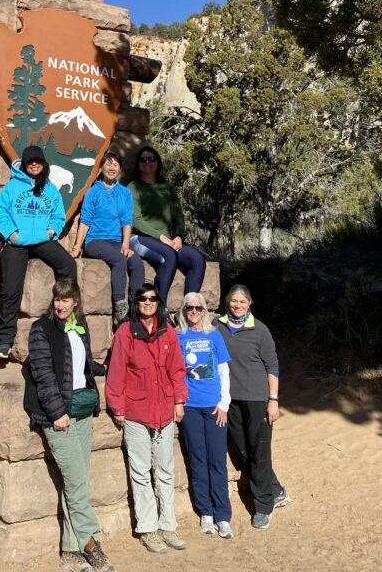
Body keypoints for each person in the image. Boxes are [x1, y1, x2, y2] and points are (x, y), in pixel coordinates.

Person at [24, 278, 115, 572]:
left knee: (75, 483)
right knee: (76, 481)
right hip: (59, 415)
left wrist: (107, 369)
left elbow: (83, 366)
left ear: (76, 301)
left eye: (66, 299)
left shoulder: (80, 327)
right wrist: (56, 411)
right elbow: (43, 373)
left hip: (83, 411)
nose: (61, 305)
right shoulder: (41, 329)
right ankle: (92, 543)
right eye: (57, 299)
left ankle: (70, 551)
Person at [105, 282, 188, 554]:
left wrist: (179, 400)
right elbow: (116, 371)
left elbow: (177, 369)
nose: (148, 303)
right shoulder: (126, 332)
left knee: (165, 471)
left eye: (152, 298)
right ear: (136, 303)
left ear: (159, 302)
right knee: (141, 472)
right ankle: (149, 528)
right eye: (142, 299)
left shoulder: (168, 332)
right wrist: (117, 407)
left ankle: (168, 525)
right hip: (137, 413)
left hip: (164, 410)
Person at [213, 283, 288, 529]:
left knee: (260, 451)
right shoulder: (218, 326)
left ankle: (264, 506)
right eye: (234, 301)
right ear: (228, 302)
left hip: (257, 399)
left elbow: (272, 366)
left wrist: (273, 400)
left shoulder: (260, 329)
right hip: (230, 399)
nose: (237, 305)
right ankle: (276, 490)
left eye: (242, 301)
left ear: (250, 303)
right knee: (243, 450)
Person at [0, 145, 76, 361]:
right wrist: (11, 234)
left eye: (38, 161)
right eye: (30, 161)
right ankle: (4, 340)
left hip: (41, 239)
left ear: (43, 163)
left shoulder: (50, 188)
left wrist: (51, 231)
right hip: (17, 241)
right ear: (25, 164)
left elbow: (59, 215)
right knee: (11, 289)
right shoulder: (12, 186)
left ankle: (67, 317)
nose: (34, 164)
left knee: (68, 265)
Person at [177, 291, 233, 538]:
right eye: (189, 307)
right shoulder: (178, 336)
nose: (194, 311)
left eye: (198, 307)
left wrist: (224, 404)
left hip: (214, 407)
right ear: (183, 310)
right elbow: (175, 373)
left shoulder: (214, 335)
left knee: (217, 460)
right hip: (190, 408)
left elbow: (224, 371)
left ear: (204, 311)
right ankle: (206, 513)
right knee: (198, 460)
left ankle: (223, 515)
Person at [71, 148, 144, 327]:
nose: (112, 167)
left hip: (116, 241)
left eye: (115, 164)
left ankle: (136, 307)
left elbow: (127, 221)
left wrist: (126, 244)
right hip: (95, 241)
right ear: (101, 167)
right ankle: (120, 310)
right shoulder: (93, 192)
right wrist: (77, 246)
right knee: (119, 260)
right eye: (108, 164)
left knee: (136, 263)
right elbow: (85, 221)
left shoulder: (125, 193)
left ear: (120, 169)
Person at [127, 146, 206, 307]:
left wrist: (178, 236)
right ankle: (159, 308)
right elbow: (135, 219)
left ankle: (189, 308)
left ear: (158, 163)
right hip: (139, 239)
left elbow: (178, 216)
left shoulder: (167, 187)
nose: (147, 162)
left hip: (168, 241)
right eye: (143, 159)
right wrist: (161, 237)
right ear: (138, 164)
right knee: (170, 255)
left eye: (151, 159)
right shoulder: (133, 187)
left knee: (197, 259)